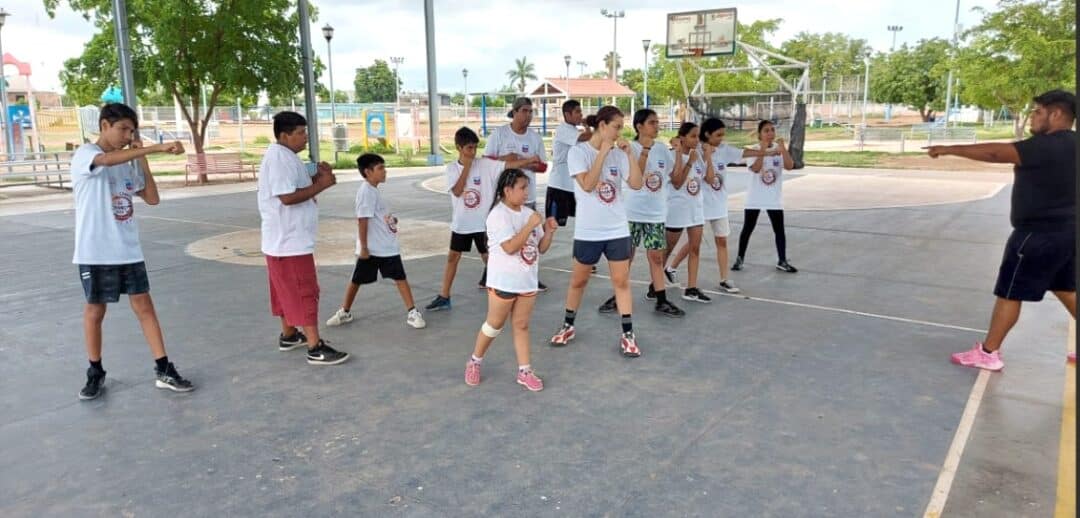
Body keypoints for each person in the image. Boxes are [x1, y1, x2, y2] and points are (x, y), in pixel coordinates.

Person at [926, 89, 1077, 370]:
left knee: (1010, 291)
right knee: (1067, 288)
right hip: (1069, 233)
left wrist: (949, 149)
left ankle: (988, 353)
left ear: (1056, 114)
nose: (1033, 117)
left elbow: (996, 152)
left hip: (1037, 235)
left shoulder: (1046, 146)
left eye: (1038, 112)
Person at [72, 103, 194, 400]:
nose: (127, 136)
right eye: (122, 129)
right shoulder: (86, 155)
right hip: (95, 251)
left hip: (127, 250)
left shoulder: (127, 164)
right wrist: (153, 149)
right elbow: (106, 160)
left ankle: (164, 368)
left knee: (145, 308)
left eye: (131, 131)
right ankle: (95, 370)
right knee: (95, 311)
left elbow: (151, 198)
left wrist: (144, 161)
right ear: (104, 126)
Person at [549, 106, 645, 357]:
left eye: (620, 127)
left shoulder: (619, 154)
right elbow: (589, 185)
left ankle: (628, 334)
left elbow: (636, 183)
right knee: (579, 281)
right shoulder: (578, 153)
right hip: (588, 230)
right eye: (616, 127)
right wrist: (602, 152)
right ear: (602, 126)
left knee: (621, 282)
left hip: (616, 228)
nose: (619, 132)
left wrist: (630, 156)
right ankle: (568, 325)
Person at [258, 111, 349, 366]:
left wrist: (317, 179)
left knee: (284, 289)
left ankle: (289, 334)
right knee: (304, 291)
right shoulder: (279, 158)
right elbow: (287, 197)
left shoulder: (285, 156)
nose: (305, 137)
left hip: (283, 240)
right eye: (300, 133)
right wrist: (322, 185)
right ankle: (314, 346)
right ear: (284, 135)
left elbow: (295, 187)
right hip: (289, 241)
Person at [465, 169, 557, 391]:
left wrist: (549, 231)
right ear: (507, 190)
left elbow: (541, 248)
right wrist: (530, 225)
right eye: (522, 188)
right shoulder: (498, 215)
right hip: (504, 282)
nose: (527, 192)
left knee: (521, 325)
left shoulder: (528, 213)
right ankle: (475, 361)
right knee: (494, 325)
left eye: (527, 187)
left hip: (526, 281)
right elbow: (509, 247)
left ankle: (524, 370)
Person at [425, 128, 533, 311]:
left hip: (483, 223)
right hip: (462, 224)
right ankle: (444, 296)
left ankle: (509, 290)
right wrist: (466, 167)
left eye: (475, 147)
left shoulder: (485, 164)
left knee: (490, 258)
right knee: (453, 257)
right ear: (459, 148)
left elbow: (508, 165)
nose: (473, 152)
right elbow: (458, 191)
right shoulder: (452, 169)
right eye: (469, 148)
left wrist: (529, 160)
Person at [597, 109, 686, 317]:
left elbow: (677, 179)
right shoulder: (629, 148)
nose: (657, 126)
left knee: (656, 257)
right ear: (640, 126)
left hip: (655, 214)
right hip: (632, 212)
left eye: (657, 122)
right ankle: (617, 296)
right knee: (626, 256)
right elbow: (635, 176)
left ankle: (661, 298)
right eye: (652, 122)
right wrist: (645, 150)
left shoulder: (663, 149)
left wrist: (680, 153)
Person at [326, 154, 426, 330]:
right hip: (374, 248)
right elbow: (362, 220)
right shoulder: (365, 192)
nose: (384, 171)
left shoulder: (373, 190)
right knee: (357, 279)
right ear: (368, 172)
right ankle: (345, 311)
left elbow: (376, 217)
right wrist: (364, 247)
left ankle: (412, 312)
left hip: (385, 245)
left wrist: (390, 220)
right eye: (380, 168)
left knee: (399, 278)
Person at [668, 118, 750, 293]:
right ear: (707, 134)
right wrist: (681, 147)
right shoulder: (695, 150)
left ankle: (724, 278)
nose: (721, 138)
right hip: (700, 205)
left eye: (723, 135)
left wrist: (769, 152)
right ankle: (672, 268)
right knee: (693, 244)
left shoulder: (723, 150)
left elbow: (744, 154)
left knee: (722, 240)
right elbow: (677, 151)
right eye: (718, 135)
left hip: (719, 205)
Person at [484, 97, 549, 290]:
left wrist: (529, 163)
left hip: (525, 199)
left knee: (529, 236)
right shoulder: (500, 134)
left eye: (531, 112)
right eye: (525, 111)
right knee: (502, 237)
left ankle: (528, 272)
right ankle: (492, 273)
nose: (528, 115)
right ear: (515, 112)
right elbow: (487, 159)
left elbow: (543, 166)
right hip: (503, 196)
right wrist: (508, 159)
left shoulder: (534, 137)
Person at [732, 120, 797, 273]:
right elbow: (755, 169)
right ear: (760, 134)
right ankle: (740, 259)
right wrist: (762, 150)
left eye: (772, 130)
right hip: (755, 198)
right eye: (766, 131)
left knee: (779, 230)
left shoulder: (778, 150)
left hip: (773, 198)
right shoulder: (752, 150)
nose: (770, 134)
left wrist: (783, 149)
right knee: (748, 228)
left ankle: (782, 260)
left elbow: (789, 166)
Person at [662, 122, 712, 303]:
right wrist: (689, 162)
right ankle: (656, 283)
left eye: (698, 136)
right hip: (676, 209)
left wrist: (707, 156)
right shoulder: (672, 156)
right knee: (667, 249)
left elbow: (710, 178)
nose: (696, 140)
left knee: (695, 248)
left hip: (695, 209)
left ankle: (691, 288)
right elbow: (677, 182)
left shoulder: (697, 156)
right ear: (682, 137)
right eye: (693, 136)